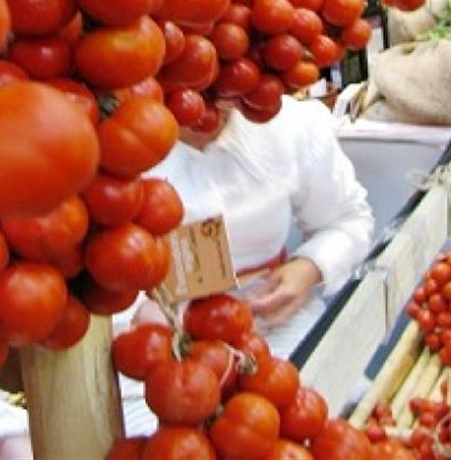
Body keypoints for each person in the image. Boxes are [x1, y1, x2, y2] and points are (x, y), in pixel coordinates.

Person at [120, 93, 374, 434]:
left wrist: (309, 267)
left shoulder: (288, 125)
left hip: (274, 326)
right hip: (156, 356)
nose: (207, 103)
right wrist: (140, 313)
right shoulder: (116, 152)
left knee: (337, 421)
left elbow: (349, 218)